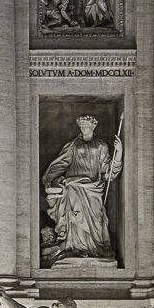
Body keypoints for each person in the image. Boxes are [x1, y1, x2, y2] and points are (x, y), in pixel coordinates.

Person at [42, 113, 123, 263]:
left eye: (87, 126)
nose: (84, 128)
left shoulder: (101, 146)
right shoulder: (73, 145)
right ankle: (75, 248)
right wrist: (49, 180)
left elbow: (109, 171)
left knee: (97, 219)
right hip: (74, 186)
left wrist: (119, 152)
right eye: (82, 126)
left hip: (93, 189)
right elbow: (61, 163)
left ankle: (95, 249)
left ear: (93, 127)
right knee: (75, 217)